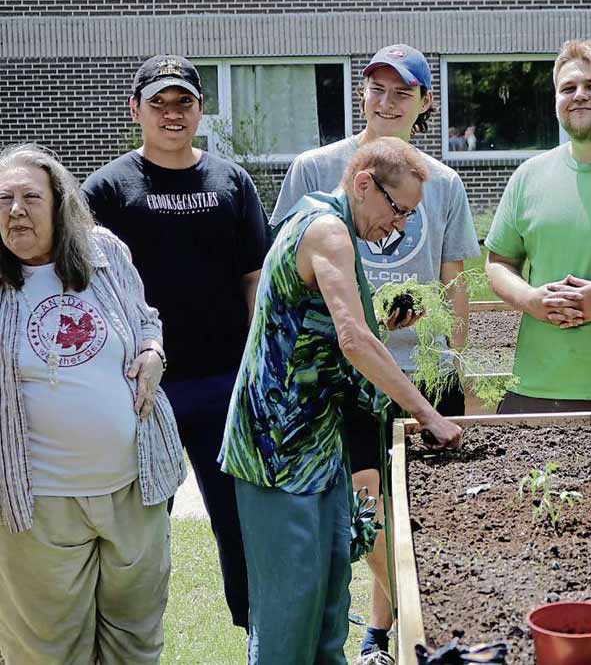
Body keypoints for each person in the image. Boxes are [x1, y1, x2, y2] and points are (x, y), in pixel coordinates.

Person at [271, 43, 479, 664]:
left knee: (412, 509)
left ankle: (385, 632)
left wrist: (452, 358)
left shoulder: (442, 183)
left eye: (402, 92)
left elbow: (454, 282)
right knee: (365, 503)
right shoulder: (316, 168)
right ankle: (403, 627)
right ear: (361, 94)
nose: (386, 104)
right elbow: (285, 269)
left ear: (425, 102)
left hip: (424, 372)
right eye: (376, 89)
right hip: (347, 371)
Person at [220, 136, 463, 665]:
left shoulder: (333, 229)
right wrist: (428, 413)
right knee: (289, 616)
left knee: (330, 606)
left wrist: (384, 320)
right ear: (362, 184)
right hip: (276, 451)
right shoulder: (327, 230)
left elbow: (331, 324)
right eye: (399, 210)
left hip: (318, 445)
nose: (399, 227)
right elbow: (353, 340)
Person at [81, 54, 270, 630]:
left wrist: (259, 368)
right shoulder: (106, 190)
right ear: (134, 110)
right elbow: (85, 289)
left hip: (223, 384)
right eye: (158, 103)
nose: (171, 114)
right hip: (139, 390)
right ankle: (131, 635)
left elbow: (254, 280)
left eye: (183, 102)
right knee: (138, 528)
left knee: (239, 522)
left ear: (200, 110)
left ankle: (258, 629)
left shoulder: (230, 182)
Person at [0, 144, 187, 664]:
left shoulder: (105, 252)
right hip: (38, 506)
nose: (16, 210)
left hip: (134, 487)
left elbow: (146, 320)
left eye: (31, 197)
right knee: (47, 650)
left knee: (136, 639)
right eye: (4, 199)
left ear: (61, 205)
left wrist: (153, 351)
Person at [485, 39, 591, 413]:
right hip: (537, 386)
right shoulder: (529, 177)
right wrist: (532, 301)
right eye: (568, 88)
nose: (579, 96)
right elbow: (498, 263)